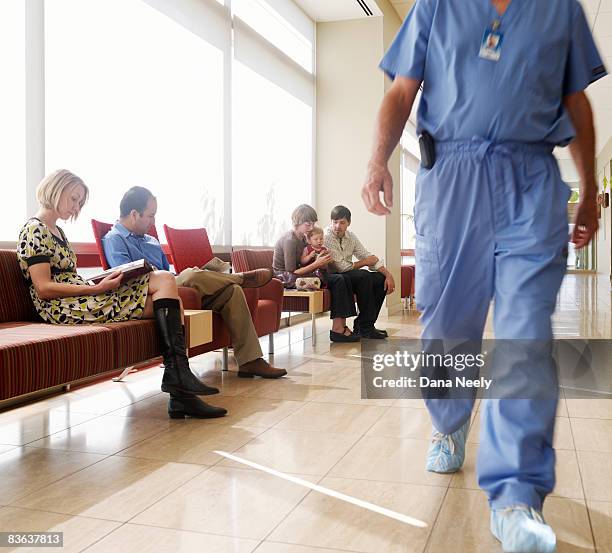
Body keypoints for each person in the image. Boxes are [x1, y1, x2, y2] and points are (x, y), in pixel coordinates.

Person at [362, 1, 606, 551]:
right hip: (451, 177)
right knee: (449, 324)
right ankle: (449, 422)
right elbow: (401, 91)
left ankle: (515, 496)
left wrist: (590, 190)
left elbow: (577, 101)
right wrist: (377, 160)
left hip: (532, 179)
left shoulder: (558, 9)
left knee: (525, 335)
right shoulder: (437, 7)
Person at [17, 170, 226, 419]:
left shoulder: (58, 232)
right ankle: (180, 385)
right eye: (73, 199)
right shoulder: (34, 230)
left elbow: (66, 277)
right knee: (165, 280)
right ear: (55, 190)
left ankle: (180, 388)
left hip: (78, 298)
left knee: (169, 297)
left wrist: (95, 284)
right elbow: (43, 287)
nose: (76, 207)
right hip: (60, 307)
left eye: (79, 202)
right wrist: (94, 288)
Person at [102, 186, 286, 379]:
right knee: (191, 275)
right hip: (151, 294)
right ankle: (241, 278)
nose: (153, 221)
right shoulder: (115, 239)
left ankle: (250, 361)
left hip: (171, 287)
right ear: (134, 214)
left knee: (232, 291)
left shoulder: (151, 241)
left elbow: (170, 273)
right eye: (150, 216)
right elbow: (128, 279)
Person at [273, 204, 359, 343]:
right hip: (285, 278)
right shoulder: (290, 240)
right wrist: (317, 264)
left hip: (299, 274)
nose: (311, 227)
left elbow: (303, 263)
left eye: (313, 223)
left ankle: (341, 325)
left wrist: (322, 259)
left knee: (343, 278)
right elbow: (291, 271)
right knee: (338, 280)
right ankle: (338, 329)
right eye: (308, 224)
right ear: (297, 222)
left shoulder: (303, 238)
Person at [324, 205, 395, 339]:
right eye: (335, 222)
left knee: (379, 279)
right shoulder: (327, 236)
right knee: (364, 275)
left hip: (348, 274)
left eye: (342, 222)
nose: (338, 226)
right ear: (331, 221)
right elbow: (341, 267)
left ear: (349, 223)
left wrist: (388, 275)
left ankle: (365, 325)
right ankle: (365, 328)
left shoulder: (351, 236)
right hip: (335, 276)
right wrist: (365, 262)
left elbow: (366, 255)